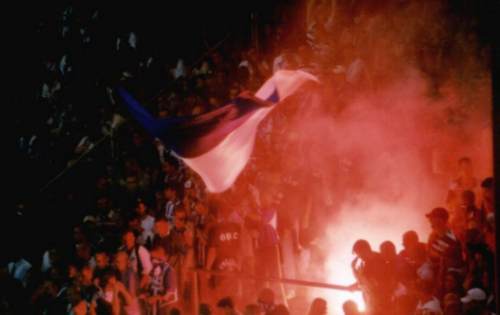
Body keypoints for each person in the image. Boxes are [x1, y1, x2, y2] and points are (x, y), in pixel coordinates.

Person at [348, 239, 389, 315]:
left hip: (382, 303)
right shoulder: (365, 262)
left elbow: (381, 281)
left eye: (359, 253)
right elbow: (366, 279)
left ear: (365, 250)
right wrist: (356, 284)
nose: (359, 256)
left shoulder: (379, 260)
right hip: (371, 302)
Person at [141, 245, 177, 315]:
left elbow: (171, 295)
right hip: (151, 308)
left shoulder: (169, 270)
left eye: (157, 259)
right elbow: (150, 287)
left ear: (164, 257)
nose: (153, 261)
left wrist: (156, 298)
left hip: (164, 308)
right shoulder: (151, 270)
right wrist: (146, 294)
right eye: (152, 258)